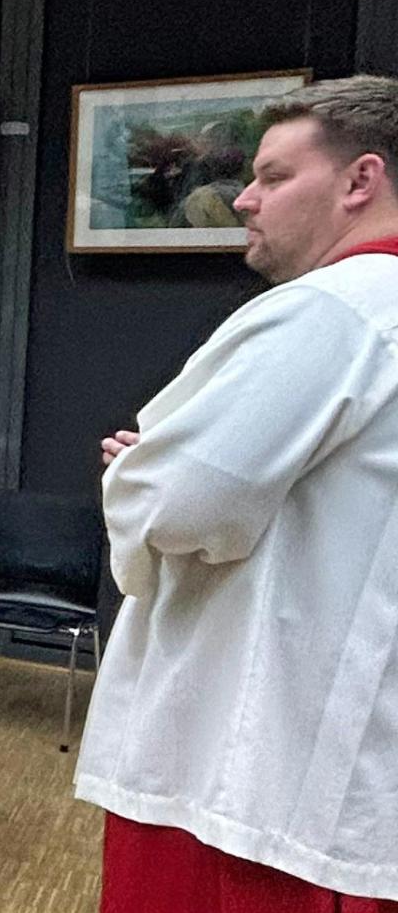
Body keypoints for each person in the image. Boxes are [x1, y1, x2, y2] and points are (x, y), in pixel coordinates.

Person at [82, 76, 398, 911]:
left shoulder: (332, 311)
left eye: (273, 176)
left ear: (359, 182)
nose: (244, 200)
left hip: (253, 759)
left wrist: (133, 473)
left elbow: (183, 503)